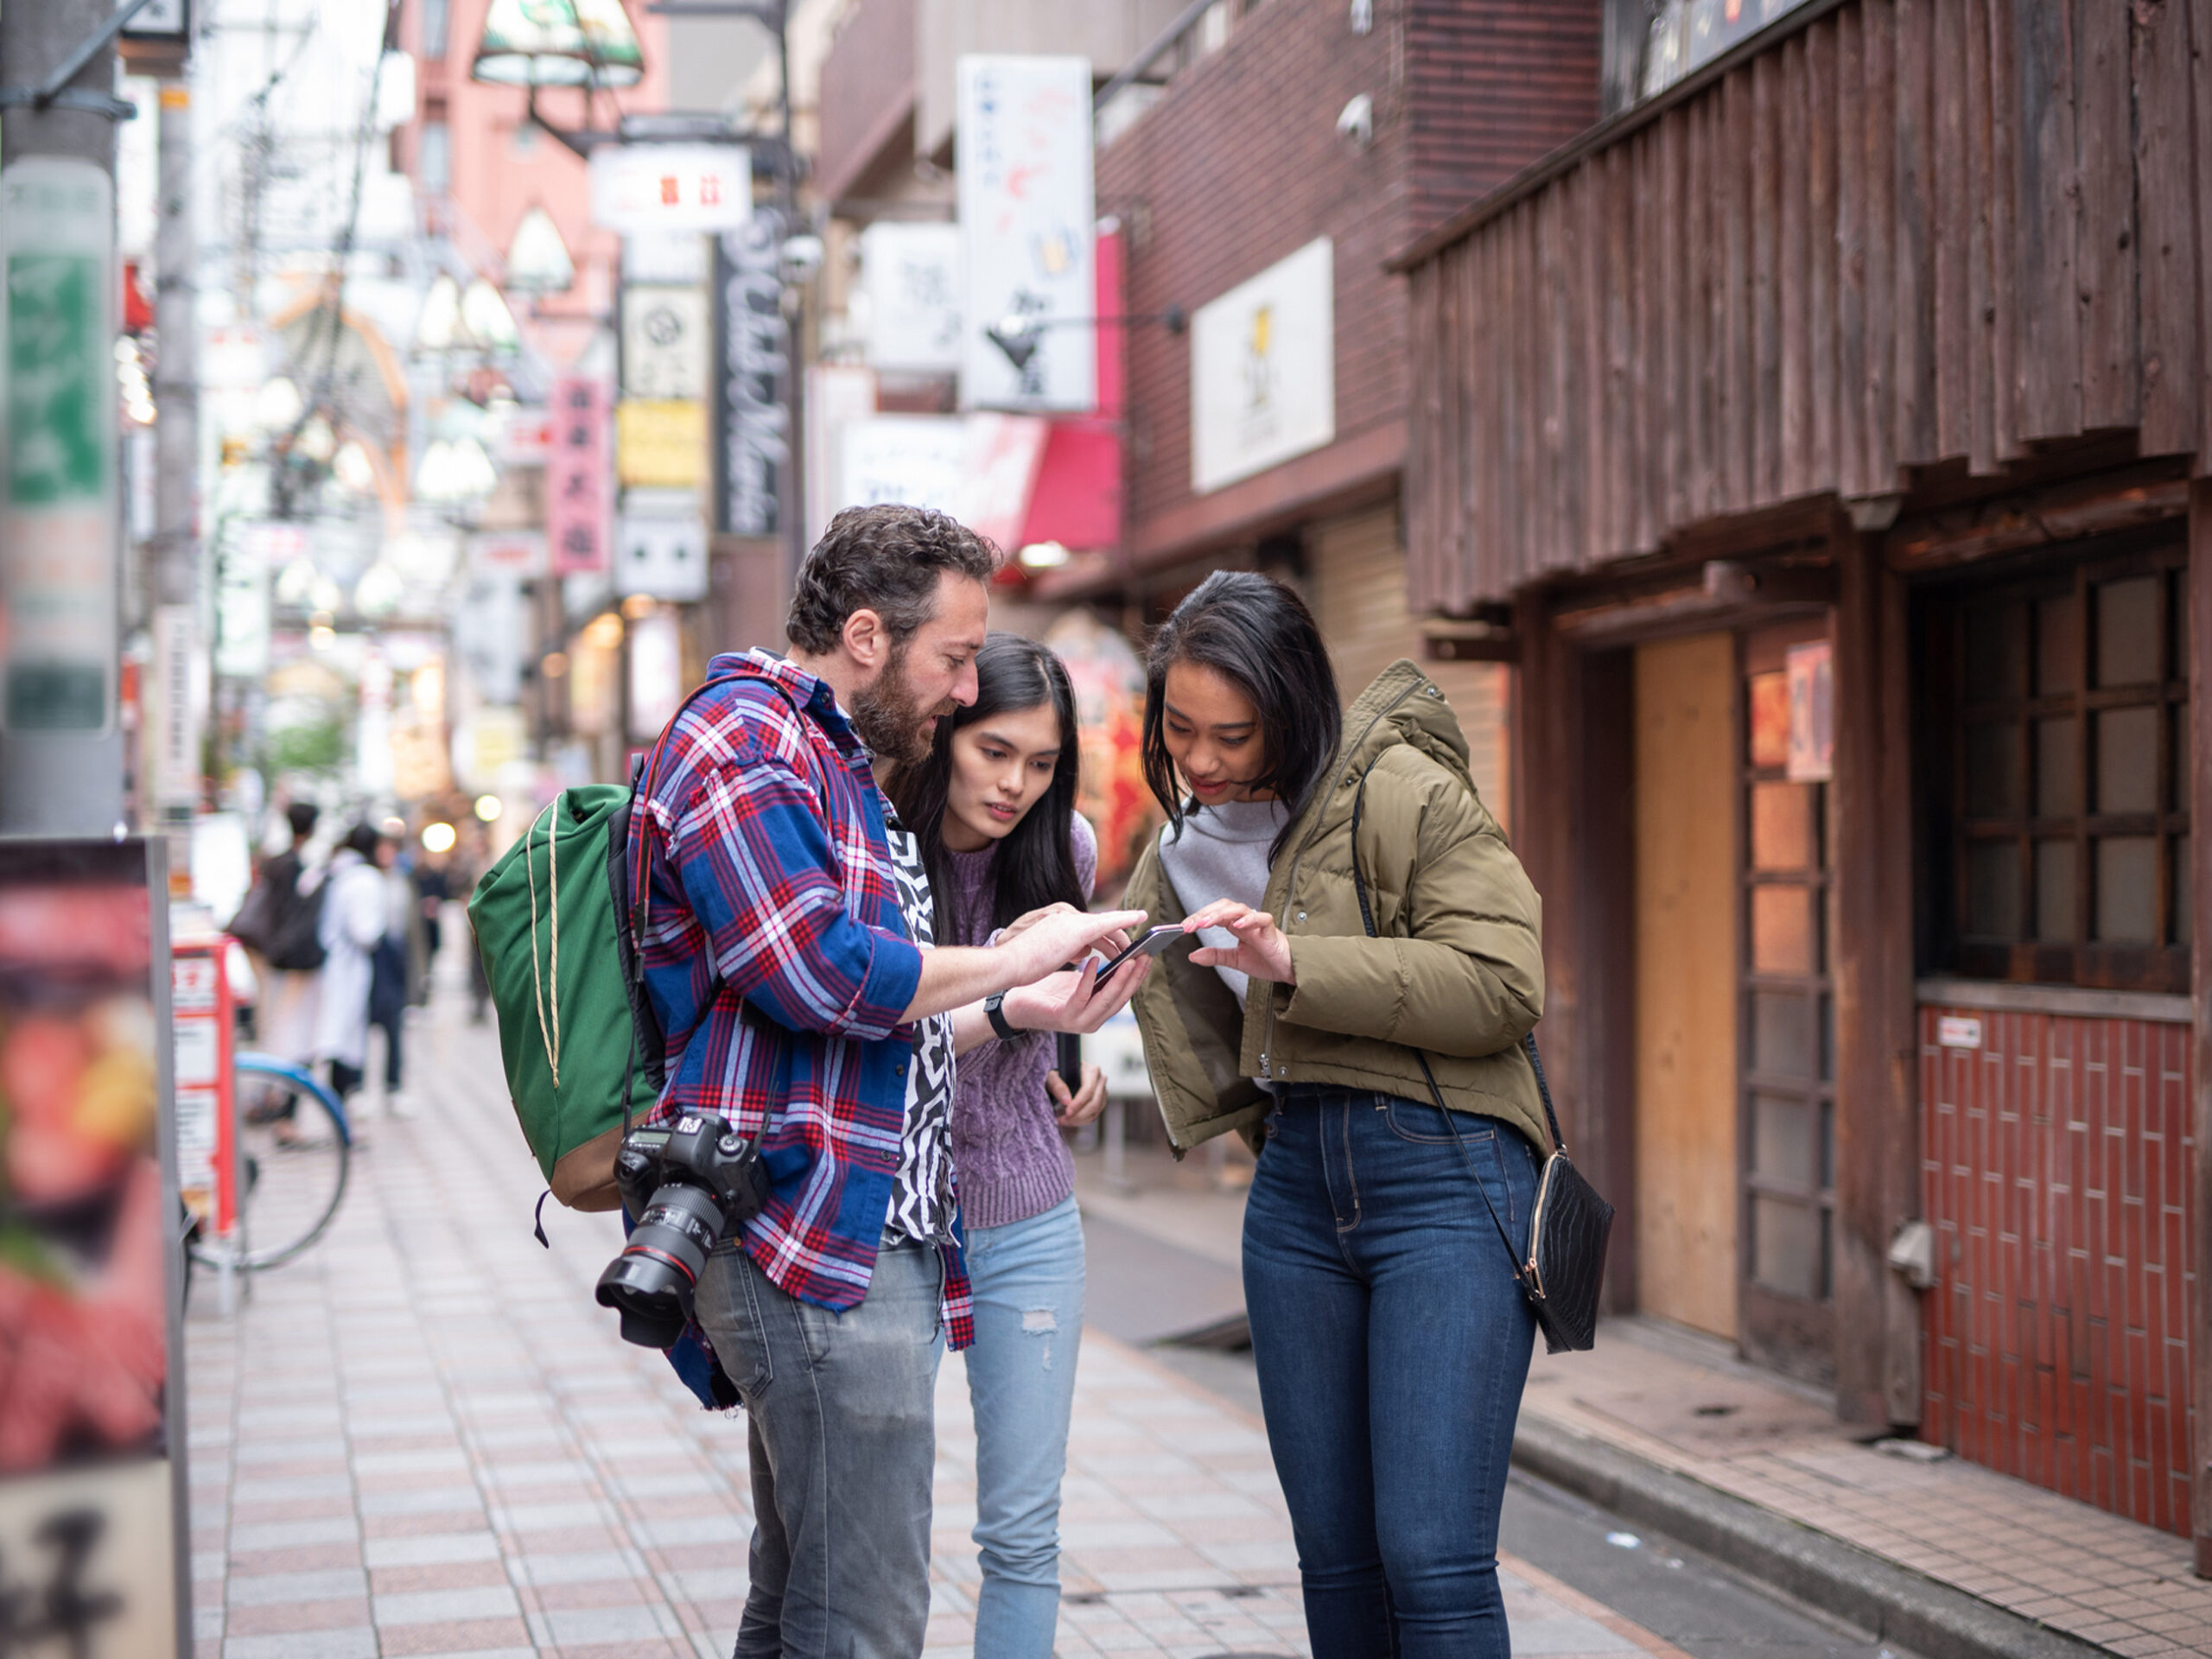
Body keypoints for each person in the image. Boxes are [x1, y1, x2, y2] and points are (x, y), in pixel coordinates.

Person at [631, 504, 1151, 1657]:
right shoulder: (742, 740)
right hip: (806, 1238)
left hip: (859, 1237)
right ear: (866, 636)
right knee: (862, 1621)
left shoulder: (832, 762)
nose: (967, 690)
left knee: (802, 1603)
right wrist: (1015, 955)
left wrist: (1021, 1008)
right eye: (955, 657)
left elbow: (870, 1037)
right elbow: (816, 972)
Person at [1121, 570, 1548, 1658]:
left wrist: (1296, 959)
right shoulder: (1173, 847)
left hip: (1445, 1176)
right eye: (1179, 729)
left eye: (1234, 733)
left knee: (1431, 1558)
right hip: (1296, 1187)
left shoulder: (1403, 790)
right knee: (1336, 1561)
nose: (1203, 760)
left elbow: (1504, 984)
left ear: (1297, 707)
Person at [883, 633, 1106, 1657]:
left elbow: (1048, 1018)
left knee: (1023, 1532)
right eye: (994, 752)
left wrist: (1072, 1051)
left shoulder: (1069, 853)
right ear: (945, 736)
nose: (1017, 784)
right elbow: (882, 1038)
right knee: (873, 1532)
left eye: (1044, 762)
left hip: (1026, 1215)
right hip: (889, 1222)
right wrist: (1017, 1006)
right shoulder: (879, 846)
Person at [315, 823, 391, 1105]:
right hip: (347, 970)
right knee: (343, 1042)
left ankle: (333, 1114)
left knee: (328, 1038)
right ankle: (339, 1114)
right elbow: (365, 933)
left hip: (327, 967)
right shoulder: (364, 879)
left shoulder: (333, 871)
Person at [367, 834, 414, 1115]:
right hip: (372, 959)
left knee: (394, 1026)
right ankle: (356, 1088)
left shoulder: (402, 882)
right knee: (364, 1024)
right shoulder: (368, 881)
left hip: (395, 959)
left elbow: (411, 928)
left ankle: (394, 1086)